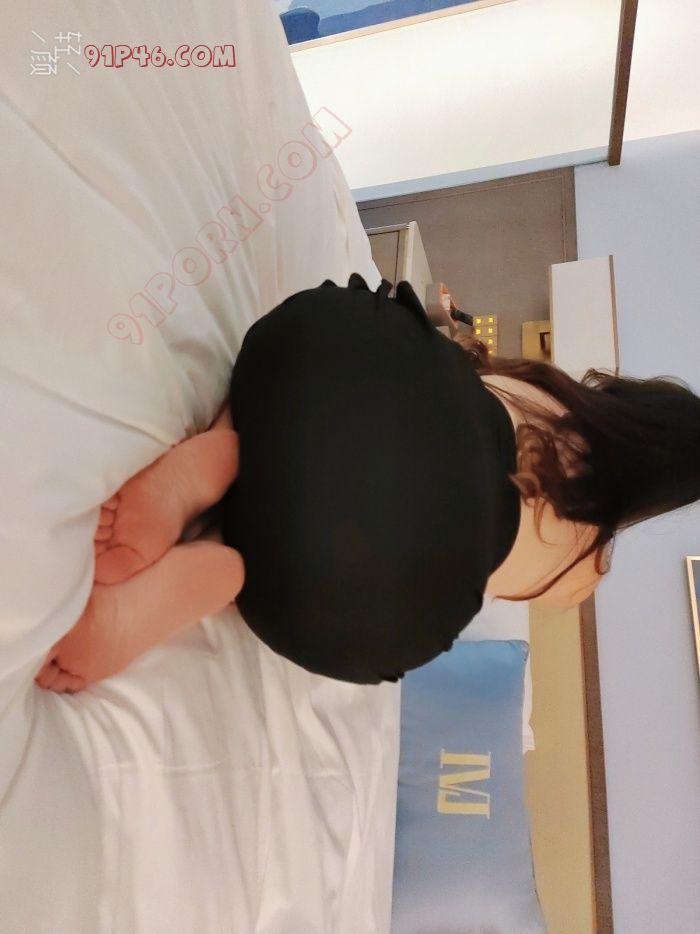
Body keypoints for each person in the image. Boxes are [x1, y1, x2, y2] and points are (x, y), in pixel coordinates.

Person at [35, 274, 700, 692]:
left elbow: (436, 379)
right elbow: (487, 576)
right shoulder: (582, 576)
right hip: (338, 594)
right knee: (373, 556)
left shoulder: (552, 396)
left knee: (350, 362)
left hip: (324, 399)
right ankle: (221, 571)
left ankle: (220, 455)